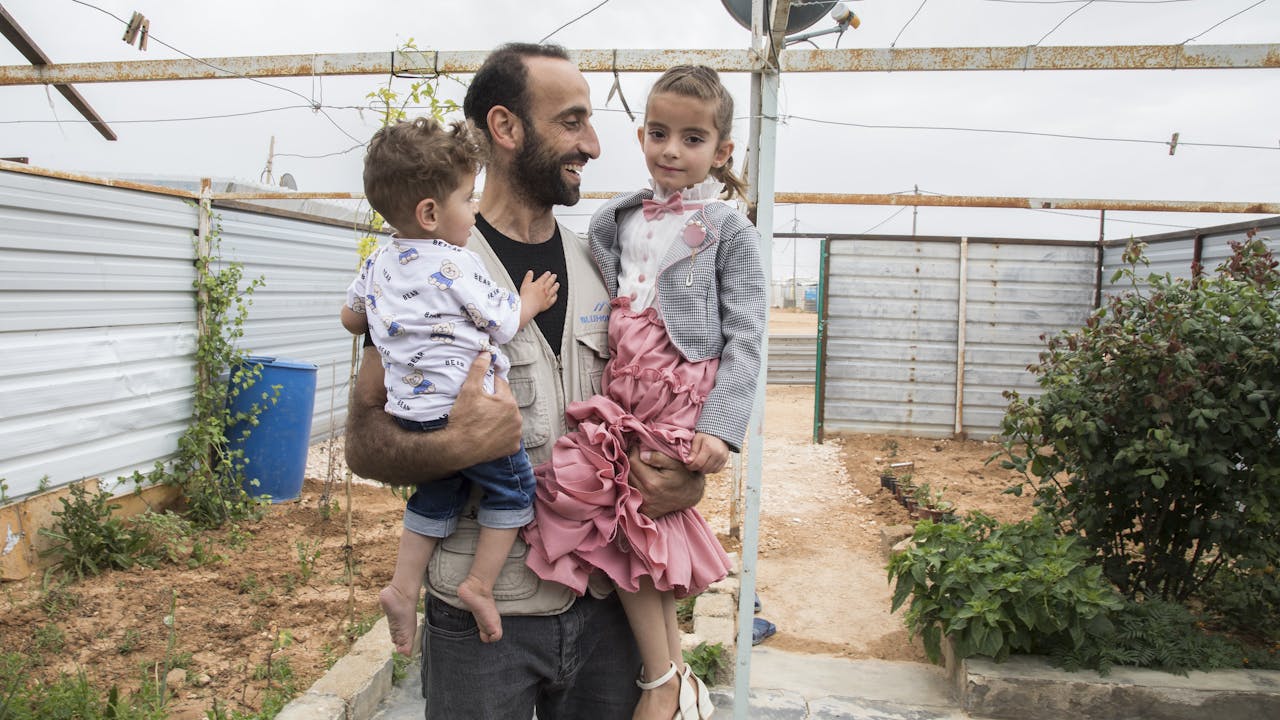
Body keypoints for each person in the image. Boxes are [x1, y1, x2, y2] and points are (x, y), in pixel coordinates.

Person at [343, 43, 706, 720]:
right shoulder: (425, 267)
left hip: (607, 608)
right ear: (506, 129)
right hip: (486, 625)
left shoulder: (601, 261)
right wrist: (456, 445)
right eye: (572, 122)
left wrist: (685, 475)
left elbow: (655, 404)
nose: (594, 144)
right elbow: (362, 443)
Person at [522, 65, 767, 720]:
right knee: (630, 519)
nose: (671, 151)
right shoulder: (617, 217)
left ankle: (663, 676)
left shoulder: (728, 229)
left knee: (638, 508)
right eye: (659, 133)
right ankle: (671, 672)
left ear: (720, 152)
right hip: (623, 382)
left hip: (678, 384)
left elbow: (747, 336)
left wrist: (720, 426)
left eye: (692, 139)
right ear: (640, 134)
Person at [340, 117, 560, 652]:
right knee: (514, 489)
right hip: (469, 412)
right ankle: (480, 584)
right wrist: (529, 300)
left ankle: (402, 585)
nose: (475, 209)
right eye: (467, 197)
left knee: (438, 490)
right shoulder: (458, 263)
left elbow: (350, 319)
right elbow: (503, 324)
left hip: (413, 414)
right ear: (431, 213)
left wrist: (391, 319)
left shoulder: (378, 261)